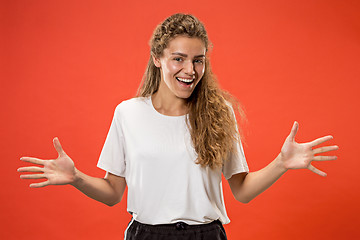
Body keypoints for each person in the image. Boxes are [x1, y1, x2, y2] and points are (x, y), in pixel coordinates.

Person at [18, 13, 338, 240]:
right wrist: (75, 178)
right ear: (158, 58)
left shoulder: (218, 112)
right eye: (179, 58)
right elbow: (114, 193)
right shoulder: (128, 113)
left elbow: (241, 190)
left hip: (207, 234)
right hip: (146, 235)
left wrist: (282, 163)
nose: (190, 69)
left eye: (198, 60)